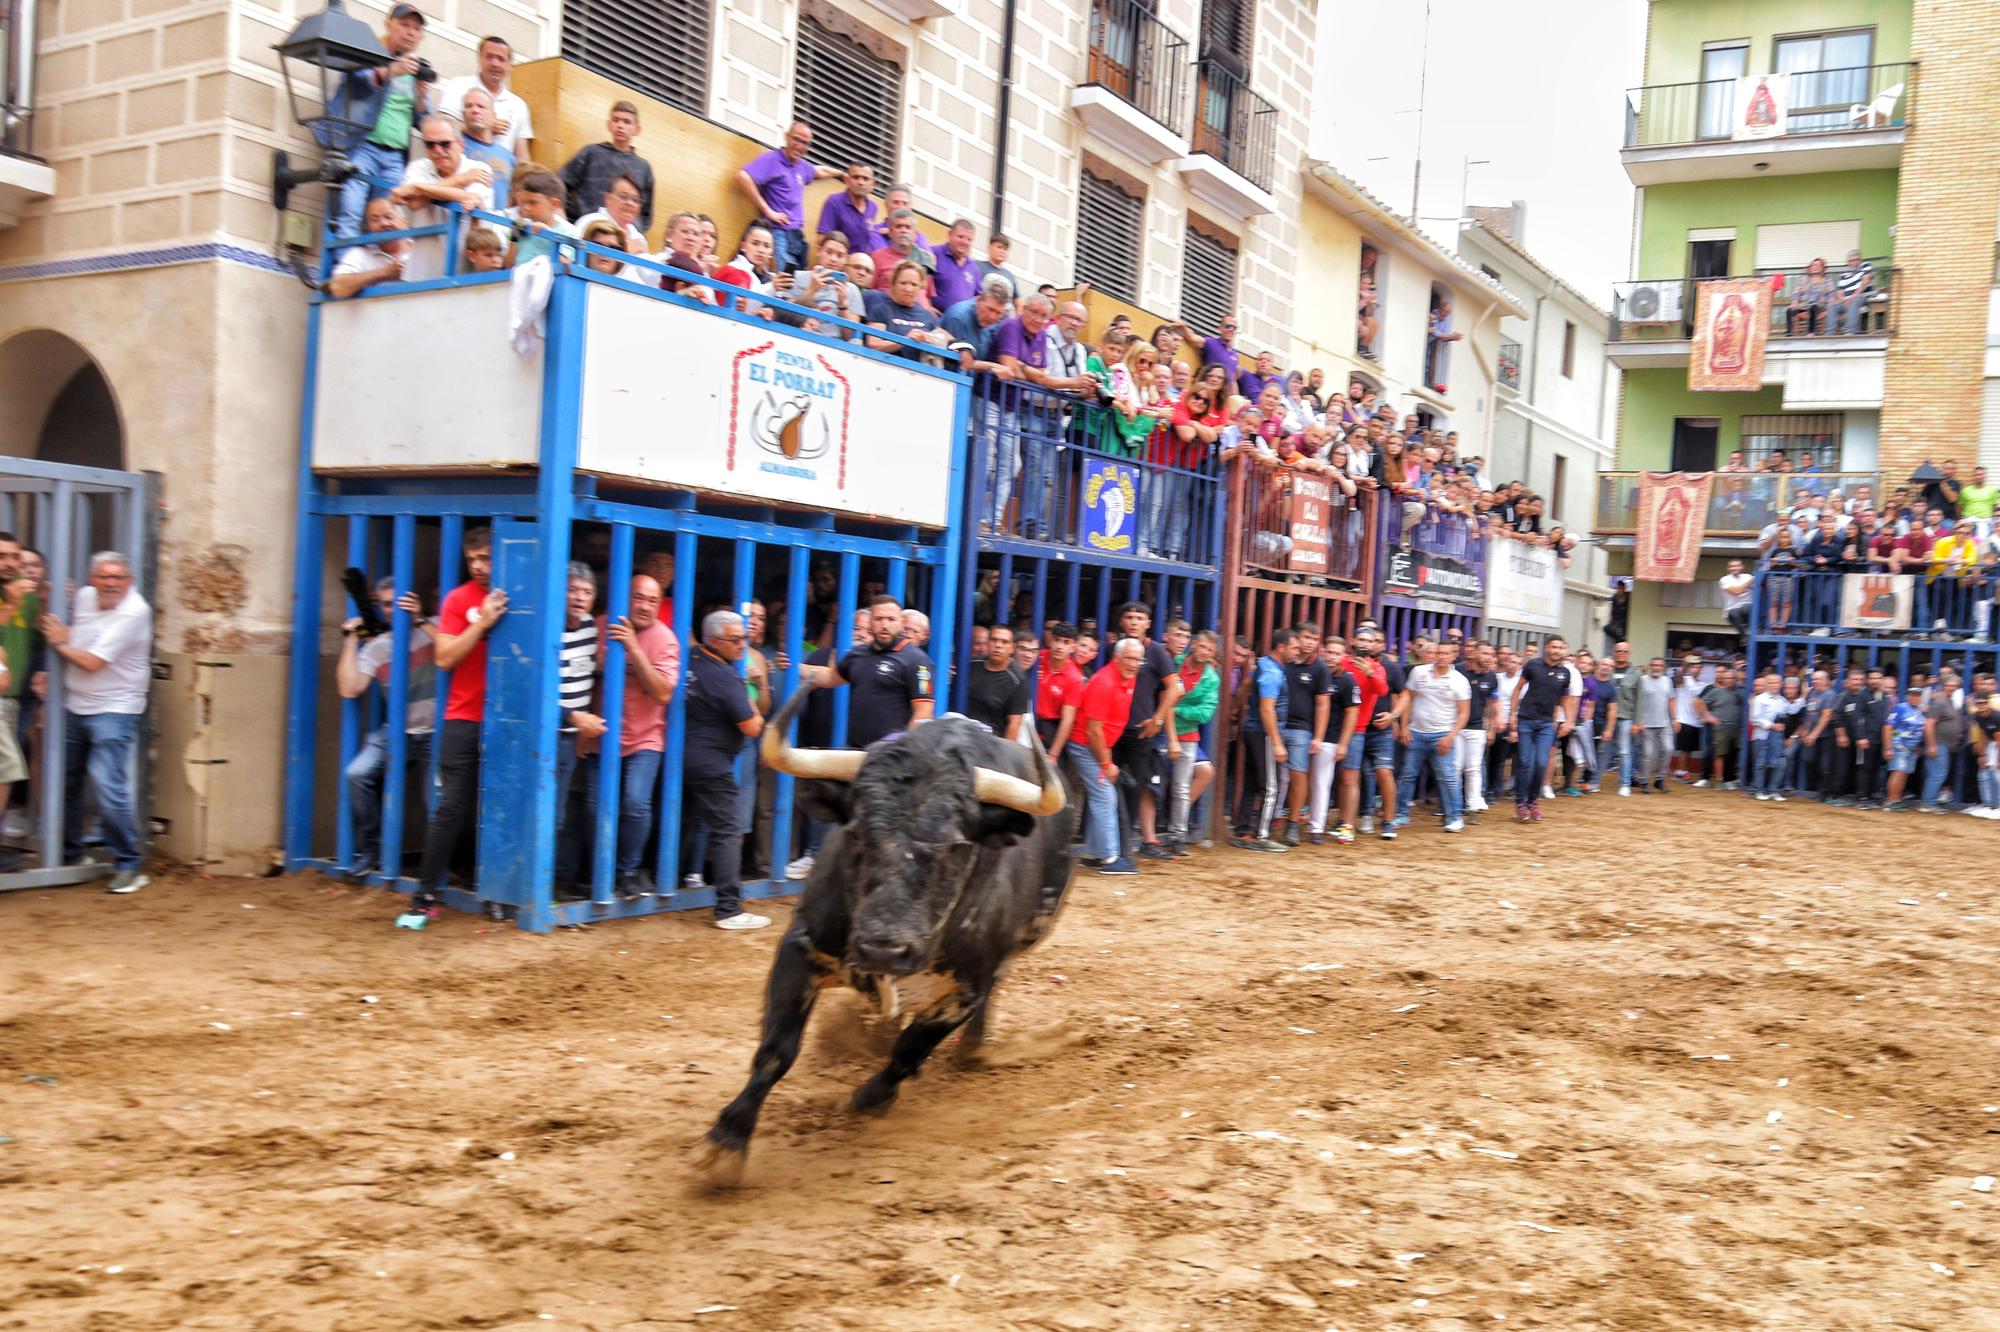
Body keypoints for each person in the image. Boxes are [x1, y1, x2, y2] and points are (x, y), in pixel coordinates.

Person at [40, 552, 153, 893]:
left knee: (107, 785)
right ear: (92, 579)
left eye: (118, 577)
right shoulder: (87, 598)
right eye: (104, 576)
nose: (111, 584)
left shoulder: (134, 612)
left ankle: (129, 863)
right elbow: (80, 632)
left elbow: (91, 661)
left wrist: (59, 644)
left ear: (130, 581)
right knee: (65, 781)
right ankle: (71, 853)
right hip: (75, 704)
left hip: (115, 708)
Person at [411, 527, 505, 917]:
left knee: (501, 806)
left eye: (486, 557)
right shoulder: (458, 599)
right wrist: (480, 624)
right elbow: (445, 657)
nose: (479, 566)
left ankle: (499, 891)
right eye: (472, 560)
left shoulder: (524, 593)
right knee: (451, 806)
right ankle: (426, 892)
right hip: (462, 717)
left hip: (507, 722)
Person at [582, 574, 680, 900]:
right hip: (601, 734)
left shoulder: (665, 639)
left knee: (636, 803)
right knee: (595, 806)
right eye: (638, 597)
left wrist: (633, 648)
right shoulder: (598, 625)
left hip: (645, 737)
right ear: (624, 597)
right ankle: (602, 871)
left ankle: (628, 870)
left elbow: (663, 693)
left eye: (653, 600)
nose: (644, 606)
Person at [336, 577, 436, 882]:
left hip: (437, 731)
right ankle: (371, 848)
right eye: (385, 604)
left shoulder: (433, 629)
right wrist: (351, 639)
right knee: (356, 773)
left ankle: (437, 866)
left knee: (436, 799)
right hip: (397, 732)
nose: (392, 609)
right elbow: (350, 689)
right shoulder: (378, 646)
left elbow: (452, 644)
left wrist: (420, 619)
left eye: (398, 602)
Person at [679, 611, 770, 930]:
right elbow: (753, 725)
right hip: (711, 761)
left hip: (686, 755)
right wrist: (747, 685)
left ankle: (672, 881)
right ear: (714, 641)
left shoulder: (692, 657)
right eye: (735, 640)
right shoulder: (724, 676)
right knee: (728, 830)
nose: (742, 645)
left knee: (687, 821)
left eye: (744, 638)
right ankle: (729, 909)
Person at [331, 3, 431, 239]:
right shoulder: (368, 52)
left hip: (395, 157)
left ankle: (377, 269)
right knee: (350, 212)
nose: (410, 32)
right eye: (404, 25)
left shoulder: (414, 69)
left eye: (416, 29)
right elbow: (358, 81)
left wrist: (422, 96)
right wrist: (391, 71)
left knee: (387, 219)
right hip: (362, 146)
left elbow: (423, 123)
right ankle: (346, 268)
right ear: (388, 26)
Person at [806, 595, 935, 745]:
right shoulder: (857, 655)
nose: (885, 625)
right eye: (879, 619)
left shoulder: (918, 661)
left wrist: (903, 751)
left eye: (891, 619)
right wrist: (793, 667)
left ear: (901, 623)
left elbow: (924, 711)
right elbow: (830, 677)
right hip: (855, 751)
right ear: (871, 622)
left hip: (890, 758)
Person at [389, 117, 493, 281]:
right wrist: (460, 180)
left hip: (462, 274)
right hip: (419, 273)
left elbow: (472, 199)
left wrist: (418, 189)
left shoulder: (479, 168)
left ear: (461, 144)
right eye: (430, 145)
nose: (437, 150)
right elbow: (414, 204)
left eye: (445, 144)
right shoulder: (419, 166)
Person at [1073, 639, 1144, 875]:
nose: (1134, 664)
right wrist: (1106, 762)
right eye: (1129, 658)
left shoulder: (1128, 678)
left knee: (1100, 795)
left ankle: (1095, 853)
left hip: (1098, 744)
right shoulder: (1104, 682)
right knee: (1105, 796)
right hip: (1085, 745)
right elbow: (1092, 730)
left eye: (1137, 659)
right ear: (1116, 658)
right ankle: (1110, 858)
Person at [737, 121, 839, 273]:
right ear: (786, 136)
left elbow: (819, 171)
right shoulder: (772, 159)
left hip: (796, 235)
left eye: (805, 143)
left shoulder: (801, 166)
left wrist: (842, 175)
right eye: (796, 139)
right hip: (779, 233)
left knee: (796, 283)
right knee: (784, 280)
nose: (799, 146)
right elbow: (742, 176)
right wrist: (767, 211)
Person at [1395, 638, 1471, 834]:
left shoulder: (1459, 681)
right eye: (1438, 653)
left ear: (1454, 655)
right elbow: (1407, 699)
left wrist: (1451, 736)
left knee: (1448, 777)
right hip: (1416, 732)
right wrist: (1404, 726)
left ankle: (1455, 816)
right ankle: (1401, 814)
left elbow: (1463, 712)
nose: (1441, 657)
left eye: (1446, 653)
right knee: (1408, 774)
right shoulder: (1419, 672)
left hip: (1442, 734)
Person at [1506, 636, 1580, 823]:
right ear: (1546, 648)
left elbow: (1564, 699)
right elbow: (1517, 689)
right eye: (1554, 646)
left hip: (1547, 723)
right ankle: (1521, 802)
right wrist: (1512, 714)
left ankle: (1533, 801)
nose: (1557, 650)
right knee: (1525, 762)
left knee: (1541, 763)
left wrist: (1569, 720)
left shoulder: (1566, 673)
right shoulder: (1533, 666)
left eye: (1561, 647)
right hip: (1526, 720)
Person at [1231, 628, 1292, 853]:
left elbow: (1246, 686)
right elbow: (1267, 709)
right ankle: (1261, 835)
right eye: (1293, 647)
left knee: (1251, 784)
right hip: (1265, 733)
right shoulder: (1273, 673)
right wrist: (1276, 742)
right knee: (1270, 787)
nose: (1297, 652)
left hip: (1252, 730)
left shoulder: (1264, 664)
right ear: (1281, 647)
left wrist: (1235, 709)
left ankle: (1243, 831)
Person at [1272, 621, 1333, 847]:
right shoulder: (1282, 661)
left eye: (1315, 640)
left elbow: (1323, 704)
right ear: (1296, 638)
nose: (1310, 643)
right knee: (1272, 777)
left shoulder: (1320, 668)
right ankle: (1267, 820)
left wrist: (1318, 736)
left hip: (1301, 729)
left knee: (1298, 776)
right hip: (1276, 725)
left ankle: (1293, 823)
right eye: (1306, 637)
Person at [0, 535, 37, 870]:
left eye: (13, 556)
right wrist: (9, 606)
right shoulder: (13, 597)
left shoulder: (27, 595)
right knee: (6, 767)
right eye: (1, 556)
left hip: (13, 700)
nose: (9, 563)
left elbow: (37, 638)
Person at [1166, 629, 1221, 853]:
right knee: (1156, 784)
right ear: (1194, 644)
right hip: (1161, 729)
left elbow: (1205, 714)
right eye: (1201, 646)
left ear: (1213, 652)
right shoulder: (1174, 662)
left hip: (1186, 734)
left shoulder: (1211, 678)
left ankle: (1177, 834)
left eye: (1209, 649)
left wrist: (1174, 708)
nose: (1204, 651)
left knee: (1180, 786)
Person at [560, 102, 653, 230]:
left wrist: (632, 231)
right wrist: (575, 216)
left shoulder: (643, 168)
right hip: (587, 229)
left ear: (637, 129)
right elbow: (561, 184)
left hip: (623, 239)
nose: (620, 125)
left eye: (627, 122)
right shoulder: (591, 153)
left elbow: (646, 212)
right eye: (616, 120)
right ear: (609, 125)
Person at [328, 197, 409, 298]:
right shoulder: (360, 254)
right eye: (375, 220)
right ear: (369, 227)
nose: (383, 223)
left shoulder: (422, 248)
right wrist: (386, 273)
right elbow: (338, 287)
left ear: (405, 222)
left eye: (389, 217)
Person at [453, 88, 515, 218]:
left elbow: (514, 195)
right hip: (465, 220)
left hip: (499, 228)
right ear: (463, 114)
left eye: (481, 107)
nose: (475, 110)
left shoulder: (508, 156)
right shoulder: (454, 146)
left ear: (494, 116)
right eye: (469, 106)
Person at [963, 622, 1030, 740]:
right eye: (994, 640)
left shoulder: (1018, 680)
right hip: (962, 733)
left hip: (992, 743)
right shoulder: (971, 665)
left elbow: (1014, 724)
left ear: (1012, 648)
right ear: (988, 643)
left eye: (1004, 642)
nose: (998, 645)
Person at [816, 161, 882, 255]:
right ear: (847, 180)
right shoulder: (834, 202)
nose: (860, 182)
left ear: (873, 184)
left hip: (861, 265)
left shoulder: (873, 207)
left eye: (865, 179)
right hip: (838, 264)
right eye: (856, 177)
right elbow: (821, 239)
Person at [1693, 666, 1744, 789]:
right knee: (1719, 755)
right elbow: (1699, 702)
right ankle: (1719, 780)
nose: (1730, 680)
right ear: (1723, 679)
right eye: (1727, 678)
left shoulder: (1740, 692)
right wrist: (1707, 716)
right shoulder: (1716, 691)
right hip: (1721, 728)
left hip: (1736, 728)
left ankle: (1728, 780)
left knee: (1732, 754)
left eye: (1732, 678)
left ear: (1735, 679)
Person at [1634, 657, 1676, 794]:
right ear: (1650, 666)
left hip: (1664, 723)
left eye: (1659, 665)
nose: (1656, 667)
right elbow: (1636, 701)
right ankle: (1645, 781)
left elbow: (1671, 700)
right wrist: (1637, 721)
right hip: (1646, 724)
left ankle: (1659, 779)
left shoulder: (1667, 681)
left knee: (1668, 749)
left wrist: (1675, 718)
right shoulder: (1642, 680)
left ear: (1663, 667)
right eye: (1654, 665)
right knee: (1647, 754)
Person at [1830, 250, 1875, 334]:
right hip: (1847, 301)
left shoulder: (1865, 265)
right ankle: (1830, 333)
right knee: (1831, 306)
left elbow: (1866, 281)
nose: (1854, 262)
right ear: (1848, 262)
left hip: (1863, 296)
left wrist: (1855, 295)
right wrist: (1844, 300)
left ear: (1861, 260)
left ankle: (1850, 331)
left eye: (1856, 260)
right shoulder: (1843, 276)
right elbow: (1839, 293)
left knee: (1853, 301)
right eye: (1851, 260)